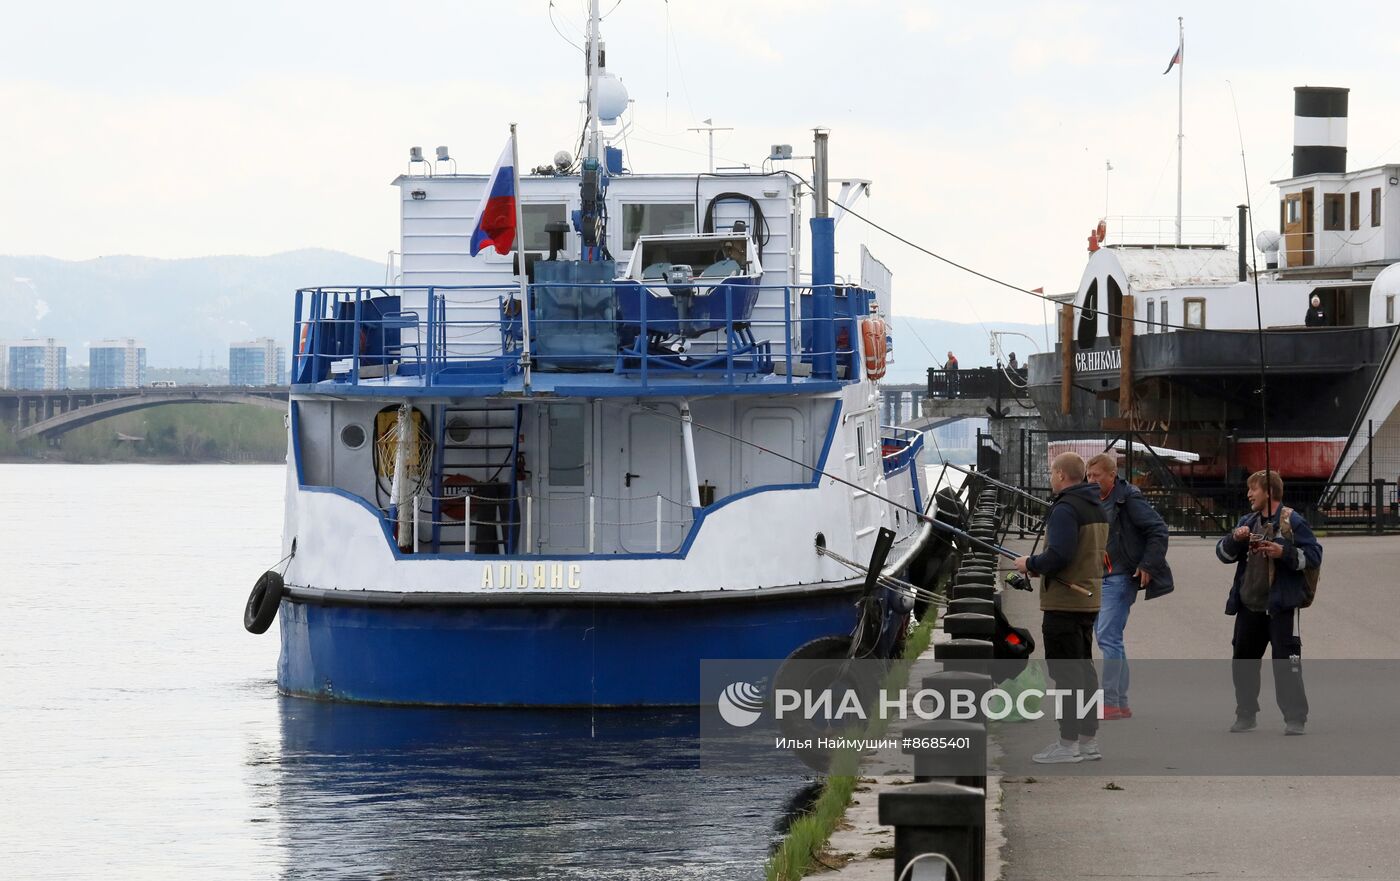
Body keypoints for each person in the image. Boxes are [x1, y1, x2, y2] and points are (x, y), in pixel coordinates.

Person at [1013, 452, 1107, 763]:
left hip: (1064, 603)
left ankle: (1067, 745)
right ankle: (1088, 742)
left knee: (1066, 675)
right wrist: (1043, 566)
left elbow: (1060, 555)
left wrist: (1030, 563)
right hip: (1088, 598)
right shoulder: (1095, 506)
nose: (1051, 478)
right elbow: (1079, 553)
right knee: (1084, 672)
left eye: (1052, 473)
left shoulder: (1066, 508)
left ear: (1061, 475)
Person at [1215, 469, 1321, 735]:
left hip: (1281, 606)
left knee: (1286, 662)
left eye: (1254, 489)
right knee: (1243, 662)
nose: (1248, 494)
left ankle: (1295, 718)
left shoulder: (1292, 520)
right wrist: (1234, 539)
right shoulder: (1247, 521)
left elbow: (1314, 556)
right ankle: (1246, 714)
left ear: (1269, 492)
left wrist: (1282, 551)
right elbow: (1223, 555)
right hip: (1249, 605)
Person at [1084, 453, 1172, 721]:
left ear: (1112, 475)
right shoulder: (1094, 498)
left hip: (1120, 576)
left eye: (1096, 476)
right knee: (1111, 639)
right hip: (1101, 576)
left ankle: (1111, 702)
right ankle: (1119, 702)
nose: (1091, 480)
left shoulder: (1127, 498)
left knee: (1107, 637)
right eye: (1088, 475)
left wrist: (1148, 565)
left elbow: (1158, 529)